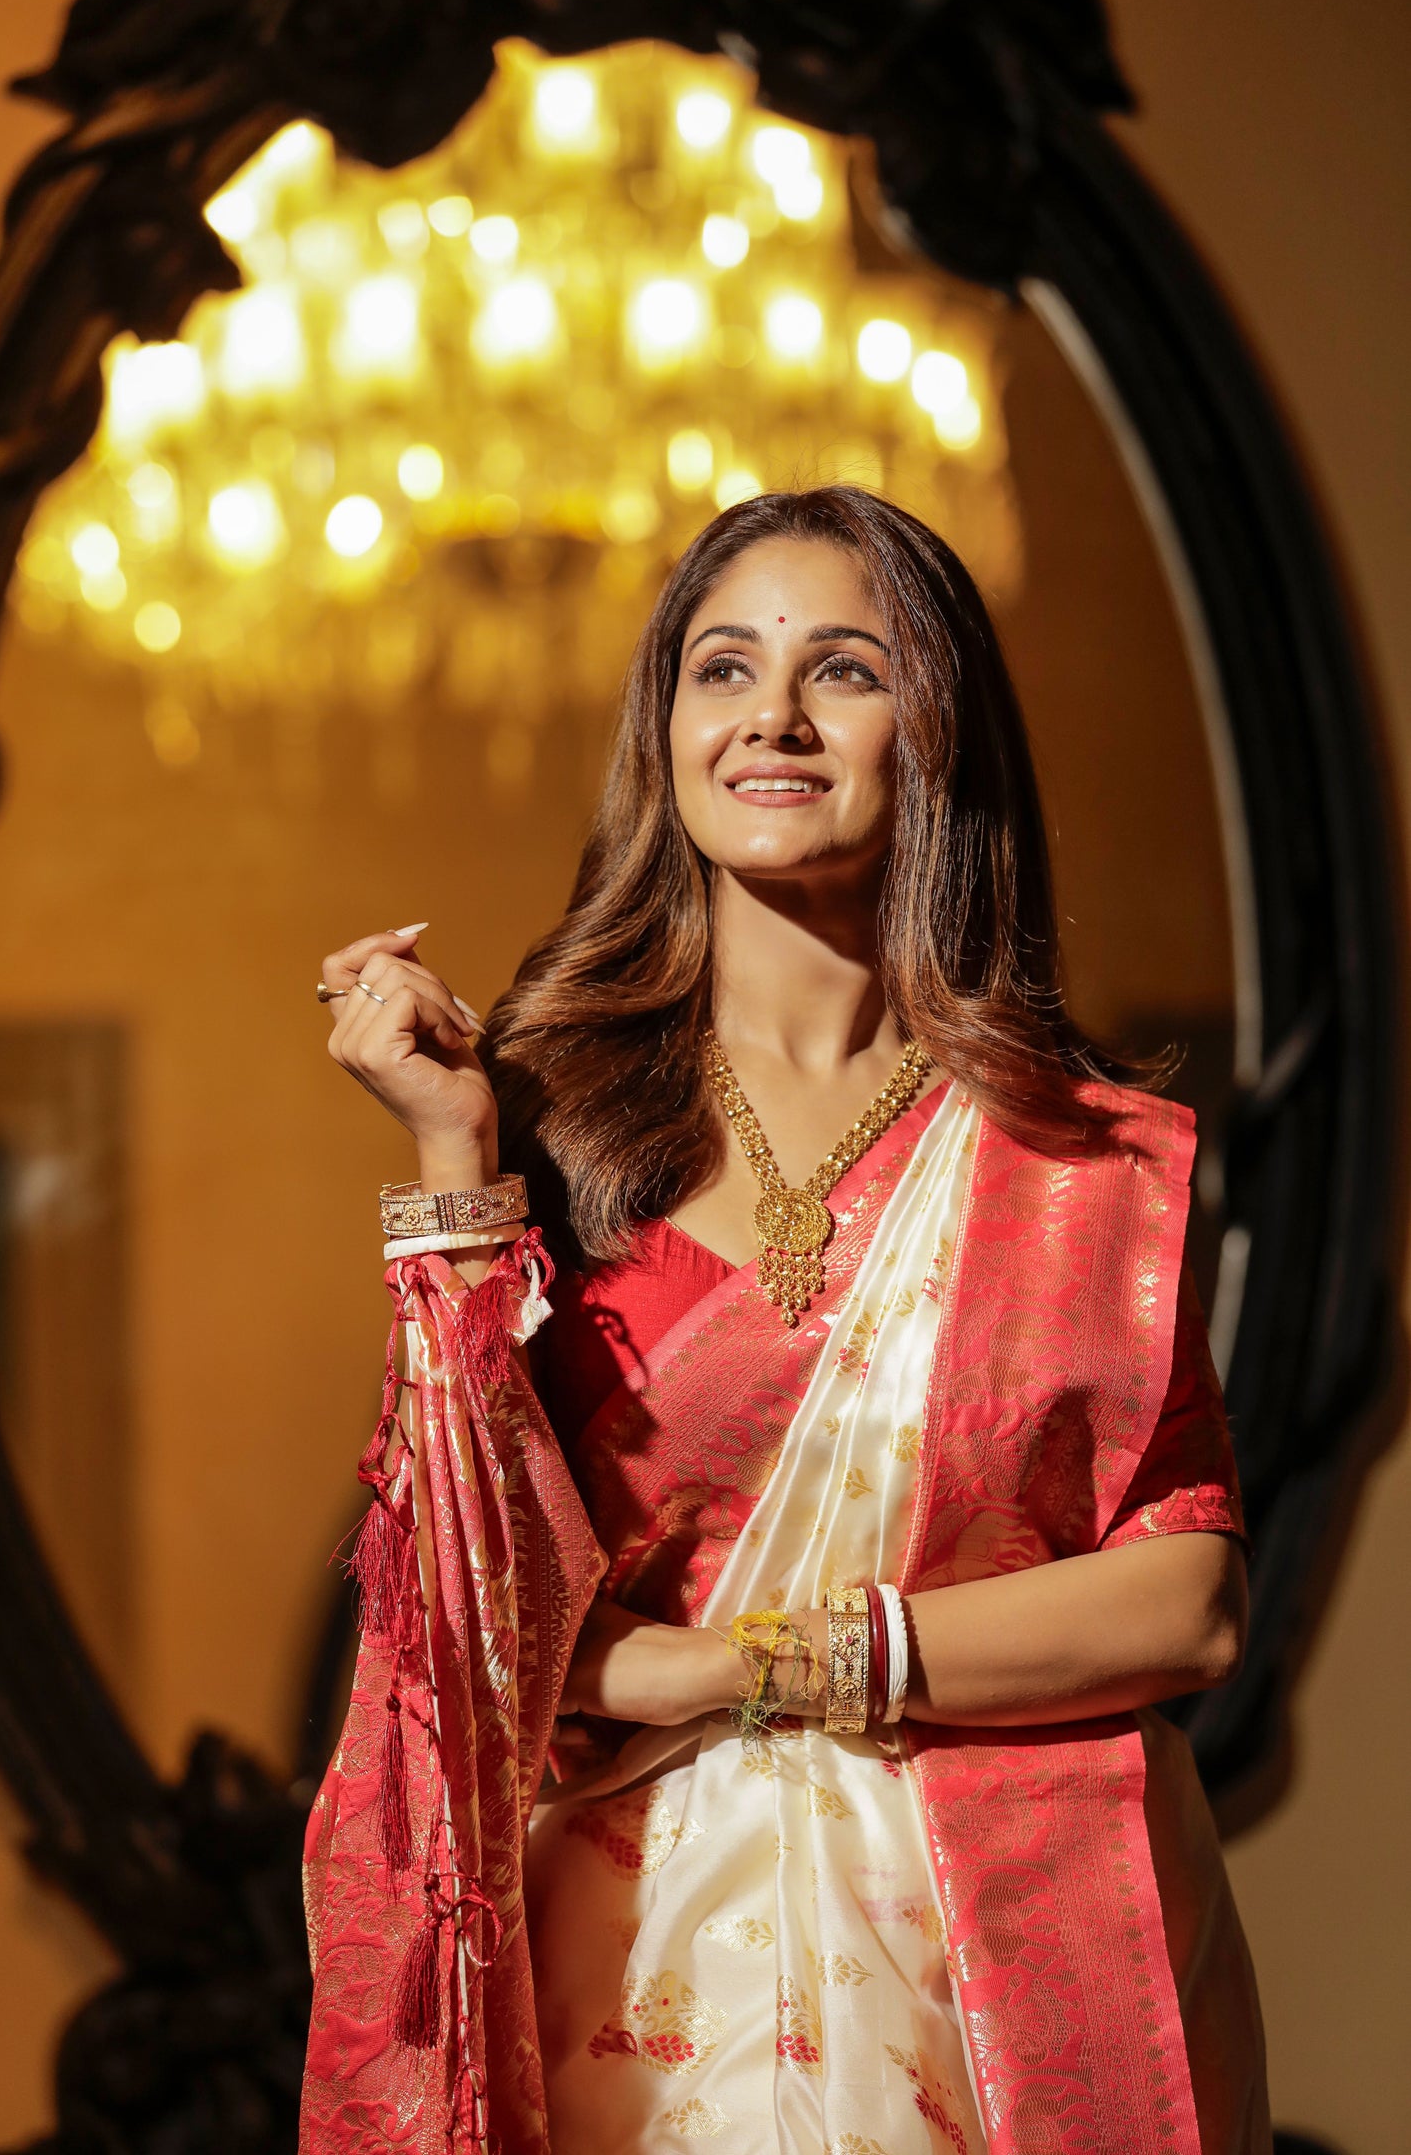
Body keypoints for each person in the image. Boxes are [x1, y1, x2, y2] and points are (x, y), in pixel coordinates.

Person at [298, 487, 1270, 2155]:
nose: (772, 718)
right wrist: (451, 1161)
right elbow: (457, 1624)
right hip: (630, 1970)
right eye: (720, 668)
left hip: (995, 1962)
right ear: (662, 729)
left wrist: (716, 1667)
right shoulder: (552, 1133)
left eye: (845, 670)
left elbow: (1182, 1601)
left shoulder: (1080, 1166)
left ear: (938, 728)